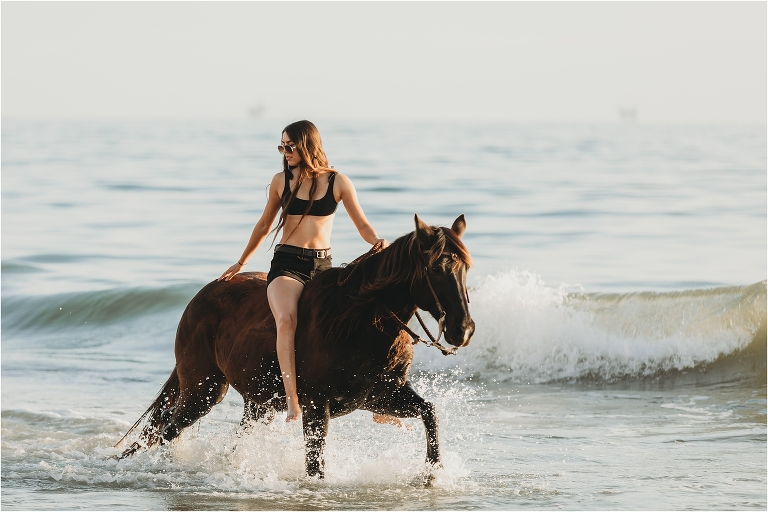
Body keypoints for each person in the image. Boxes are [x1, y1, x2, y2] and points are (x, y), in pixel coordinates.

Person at [219, 120, 402, 427]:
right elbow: (264, 225)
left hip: (322, 267)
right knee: (287, 320)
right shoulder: (281, 181)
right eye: (282, 146)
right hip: (287, 266)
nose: (285, 152)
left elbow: (362, 224)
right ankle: (293, 400)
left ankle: (379, 402)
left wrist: (379, 243)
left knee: (359, 320)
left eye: (290, 146)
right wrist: (240, 262)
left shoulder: (338, 182)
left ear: (307, 145)